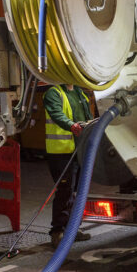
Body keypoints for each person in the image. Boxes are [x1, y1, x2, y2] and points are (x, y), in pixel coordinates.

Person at [44, 83, 95, 248]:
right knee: (65, 191)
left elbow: (88, 117)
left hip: (80, 150)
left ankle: (73, 229)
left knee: (78, 191)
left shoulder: (80, 93)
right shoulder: (53, 93)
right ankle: (57, 232)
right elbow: (57, 114)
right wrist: (72, 126)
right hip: (61, 152)